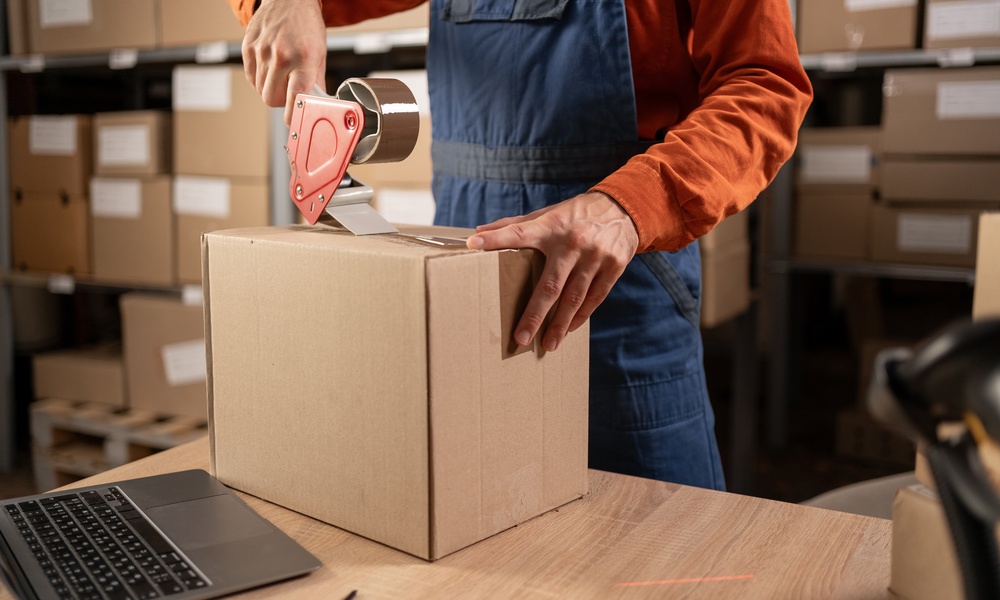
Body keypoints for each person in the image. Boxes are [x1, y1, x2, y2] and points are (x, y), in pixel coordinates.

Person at [227, 0, 813, 490]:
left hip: (617, 281)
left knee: (662, 543)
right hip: (463, 273)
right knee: (474, 532)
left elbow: (766, 86)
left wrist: (631, 205)